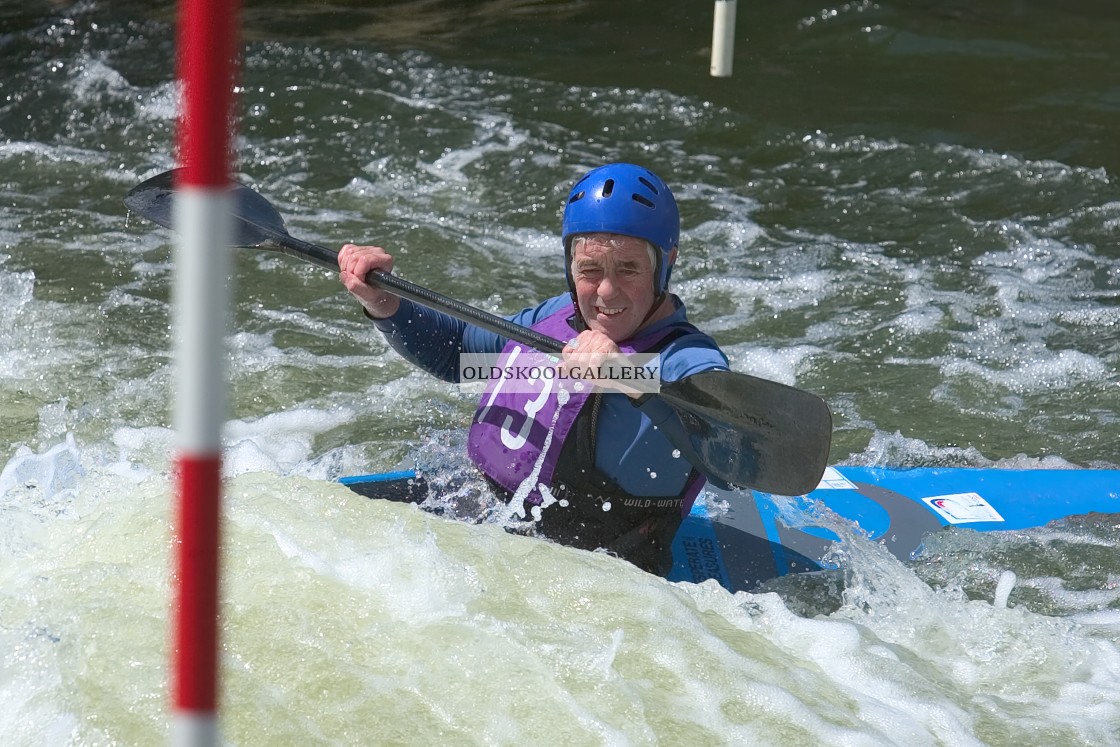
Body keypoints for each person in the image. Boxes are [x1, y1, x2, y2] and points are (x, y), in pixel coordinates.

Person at [338, 163, 729, 575]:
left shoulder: (687, 357)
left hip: (593, 579)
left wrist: (627, 374)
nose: (606, 291)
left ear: (665, 264)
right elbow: (457, 355)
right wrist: (383, 304)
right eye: (590, 270)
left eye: (628, 268)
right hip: (478, 522)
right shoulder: (556, 317)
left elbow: (733, 454)